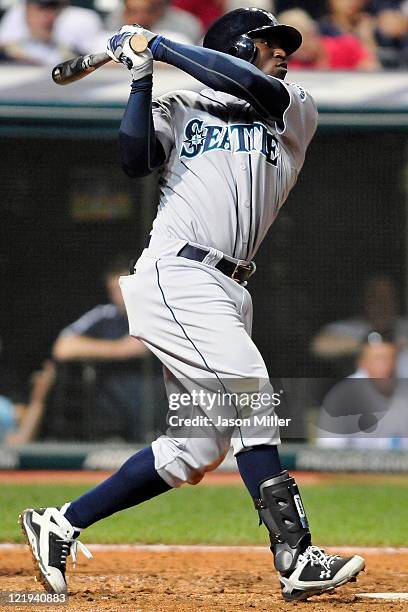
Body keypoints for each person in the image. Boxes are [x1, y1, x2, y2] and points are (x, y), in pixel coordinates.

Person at [19, 8, 365, 603]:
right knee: (251, 390)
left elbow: (247, 83)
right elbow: (134, 160)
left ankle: (61, 522)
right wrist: (140, 76)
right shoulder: (181, 105)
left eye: (285, 43)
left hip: (230, 287)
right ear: (234, 45)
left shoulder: (293, 103)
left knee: (195, 450)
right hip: (178, 273)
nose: (282, 51)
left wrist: (159, 46)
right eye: (269, 42)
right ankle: (296, 554)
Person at [52, 255, 148, 441]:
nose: (118, 296)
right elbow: (62, 347)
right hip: (113, 423)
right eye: (113, 290)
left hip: (159, 416)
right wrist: (120, 349)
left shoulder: (161, 313)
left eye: (122, 288)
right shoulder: (105, 316)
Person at [316, 332, 408, 449]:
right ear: (362, 362)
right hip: (355, 466)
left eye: (391, 358)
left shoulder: (404, 389)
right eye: (378, 359)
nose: (387, 366)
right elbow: (329, 455)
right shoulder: (342, 397)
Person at [311, 275, 408, 377]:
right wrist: (370, 343)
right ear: (365, 301)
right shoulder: (352, 327)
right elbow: (318, 346)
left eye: (388, 297)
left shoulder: (404, 326)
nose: (382, 303)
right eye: (376, 297)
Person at [0, 0, 103, 65]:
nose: (48, 18)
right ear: (27, 13)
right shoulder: (7, 53)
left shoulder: (72, 53)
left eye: (52, 10)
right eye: (41, 10)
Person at [278, 8, 379, 70]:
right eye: (292, 49)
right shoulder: (295, 67)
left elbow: (372, 67)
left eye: (303, 45)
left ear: (313, 34)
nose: (299, 53)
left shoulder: (347, 45)